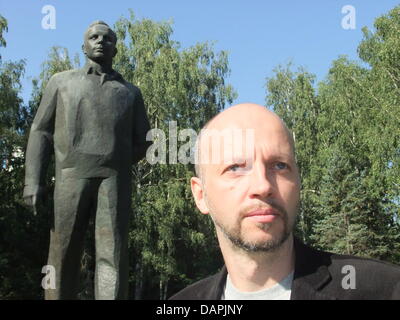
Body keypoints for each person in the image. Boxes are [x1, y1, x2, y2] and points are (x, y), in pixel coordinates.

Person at [170, 103, 400, 300]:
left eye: (279, 166)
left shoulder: (384, 288)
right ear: (200, 195)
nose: (263, 186)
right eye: (235, 168)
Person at [23, 21, 151, 299]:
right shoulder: (61, 82)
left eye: (107, 38)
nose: (100, 41)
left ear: (116, 48)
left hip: (113, 179)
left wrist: (116, 160)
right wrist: (32, 181)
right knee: (62, 249)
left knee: (113, 253)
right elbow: (40, 130)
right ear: (83, 46)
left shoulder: (129, 92)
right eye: (93, 37)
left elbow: (146, 139)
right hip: (70, 175)